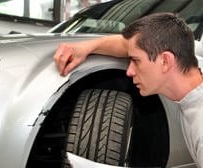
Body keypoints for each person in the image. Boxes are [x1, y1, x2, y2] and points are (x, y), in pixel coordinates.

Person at [54, 12, 203, 167]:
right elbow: (127, 44)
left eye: (136, 60)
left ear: (165, 61)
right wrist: (87, 47)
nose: (129, 71)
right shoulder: (190, 67)